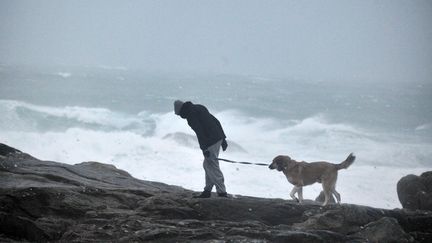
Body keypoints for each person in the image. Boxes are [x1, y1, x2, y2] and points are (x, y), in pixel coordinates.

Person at [174, 100, 228, 198]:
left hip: (210, 141)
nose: (180, 117)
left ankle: (222, 192)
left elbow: (200, 132)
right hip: (217, 138)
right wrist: (223, 139)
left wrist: (204, 148)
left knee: (212, 165)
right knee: (208, 164)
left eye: (179, 114)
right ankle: (207, 190)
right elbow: (216, 121)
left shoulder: (191, 115)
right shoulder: (199, 107)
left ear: (181, 110)